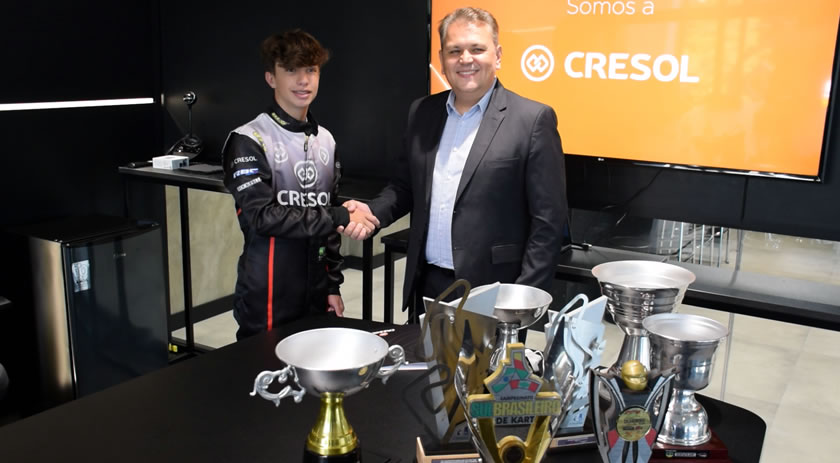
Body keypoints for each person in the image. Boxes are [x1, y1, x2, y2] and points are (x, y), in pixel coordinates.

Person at [342, 7, 568, 315]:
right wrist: (373, 212)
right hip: (427, 283)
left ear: (498, 56)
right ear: (441, 59)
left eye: (477, 49)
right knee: (422, 350)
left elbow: (548, 222)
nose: (465, 59)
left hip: (495, 292)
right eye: (454, 51)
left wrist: (523, 299)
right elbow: (405, 186)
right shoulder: (422, 112)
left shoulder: (532, 120)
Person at [222, 30, 378, 340]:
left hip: (316, 290)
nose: (303, 80)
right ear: (271, 78)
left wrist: (332, 285)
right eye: (291, 70)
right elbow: (262, 217)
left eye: (311, 69)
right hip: (268, 292)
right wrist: (340, 215)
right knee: (263, 366)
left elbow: (326, 222)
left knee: (315, 364)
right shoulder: (248, 139)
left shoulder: (326, 140)